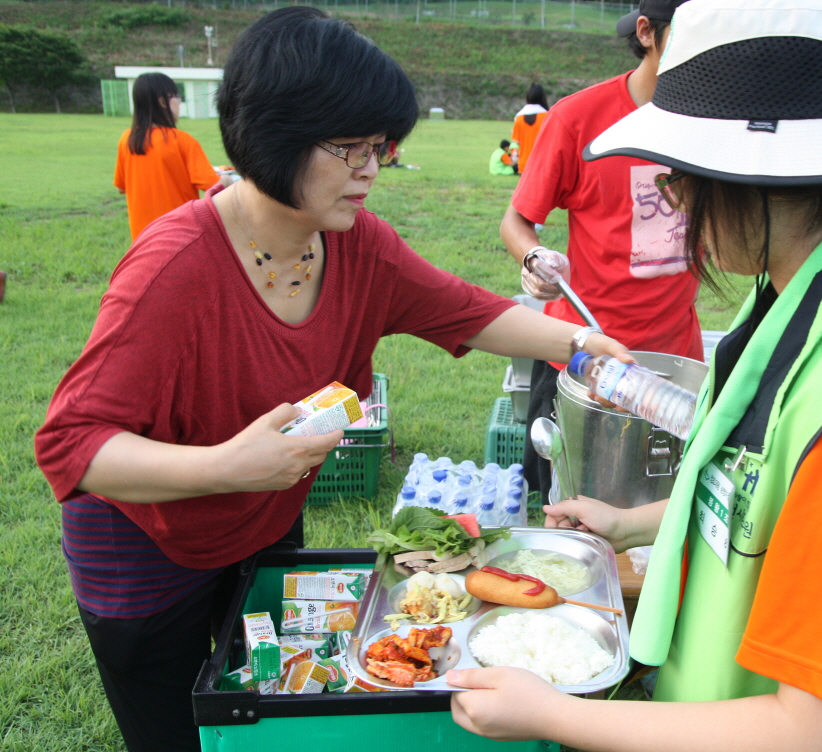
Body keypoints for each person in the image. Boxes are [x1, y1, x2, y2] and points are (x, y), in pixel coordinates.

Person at [34, 9, 627, 752]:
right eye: (348, 148)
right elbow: (71, 446)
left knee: (274, 705)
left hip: (263, 518)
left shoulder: (354, 245)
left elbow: (466, 312)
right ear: (272, 133)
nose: (371, 170)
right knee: (179, 733)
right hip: (147, 549)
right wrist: (226, 467)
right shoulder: (172, 271)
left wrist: (582, 346)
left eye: (379, 147)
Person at [449, 1, 822, 750]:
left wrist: (554, 713)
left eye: (678, 179)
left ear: (753, 174)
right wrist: (631, 524)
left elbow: (820, 732)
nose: (674, 203)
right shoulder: (801, 308)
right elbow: (762, 503)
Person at [501, 0, 703, 499]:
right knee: (568, 506)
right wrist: (533, 258)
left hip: (674, 362)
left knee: (657, 510)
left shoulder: (711, 126)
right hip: (582, 357)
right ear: (648, 32)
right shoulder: (578, 119)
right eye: (693, 32)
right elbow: (517, 220)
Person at [113, 72, 219, 241]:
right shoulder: (182, 140)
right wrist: (228, 180)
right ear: (162, 101)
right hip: (182, 236)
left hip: (143, 239)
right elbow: (213, 184)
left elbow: (121, 187)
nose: (179, 102)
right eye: (177, 96)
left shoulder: (127, 140)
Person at [511, 83, 548, 174]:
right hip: (542, 165)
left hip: (524, 164)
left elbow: (517, 141)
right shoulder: (547, 116)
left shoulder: (519, 117)